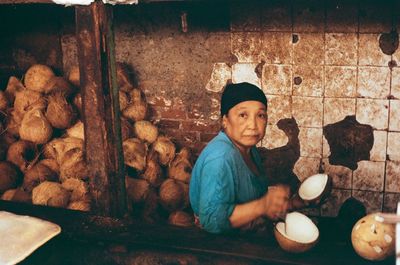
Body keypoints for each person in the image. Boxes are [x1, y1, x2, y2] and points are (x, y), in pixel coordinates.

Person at [189, 82, 303, 234]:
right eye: (243, 115)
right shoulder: (221, 157)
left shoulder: (249, 150)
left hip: (246, 239)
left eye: (260, 115)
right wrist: (263, 205)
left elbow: (255, 204)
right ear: (225, 120)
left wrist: (296, 203)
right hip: (220, 249)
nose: (253, 125)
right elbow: (211, 220)